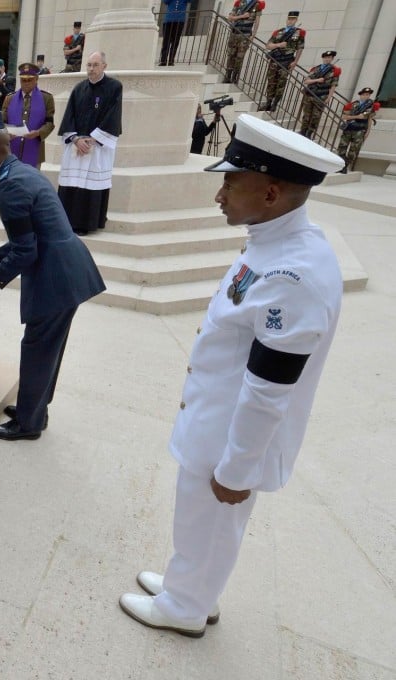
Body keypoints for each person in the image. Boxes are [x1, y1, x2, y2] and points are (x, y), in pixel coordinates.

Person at [118, 113, 345, 638]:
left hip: (232, 437)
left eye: (230, 182)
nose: (219, 194)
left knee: (213, 519)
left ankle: (185, 608)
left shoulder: (295, 275)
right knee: (200, 522)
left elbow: (269, 390)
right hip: (217, 421)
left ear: (270, 192)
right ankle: (191, 587)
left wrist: (237, 470)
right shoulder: (273, 244)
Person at [0, 109, 105, 441]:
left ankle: (28, 424)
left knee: (38, 350)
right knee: (48, 350)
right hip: (69, 270)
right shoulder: (25, 172)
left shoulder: (8, 188)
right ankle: (35, 408)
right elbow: (31, 235)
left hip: (55, 279)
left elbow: (26, 250)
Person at [57, 51, 123, 235]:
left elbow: (114, 116)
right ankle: (66, 221)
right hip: (77, 145)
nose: (91, 69)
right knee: (73, 184)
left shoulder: (114, 87)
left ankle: (87, 224)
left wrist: (92, 140)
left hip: (96, 147)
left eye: (95, 65)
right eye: (89, 65)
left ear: (104, 66)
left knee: (90, 185)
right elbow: (69, 115)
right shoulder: (79, 88)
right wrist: (76, 139)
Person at [1, 63, 56, 169]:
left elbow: (49, 123)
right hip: (11, 149)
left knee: (31, 183)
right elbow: (1, 122)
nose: (26, 83)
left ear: (36, 79)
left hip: (34, 150)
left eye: (29, 80)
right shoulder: (10, 98)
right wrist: (6, 133)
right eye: (23, 80)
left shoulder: (46, 98)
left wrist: (39, 132)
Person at [259, 11, 305, 112]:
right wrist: (279, 45)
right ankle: (268, 103)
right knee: (271, 82)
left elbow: (300, 48)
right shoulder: (278, 32)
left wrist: (295, 62)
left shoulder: (298, 33)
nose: (290, 21)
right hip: (275, 60)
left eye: (293, 19)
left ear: (296, 20)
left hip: (287, 61)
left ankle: (275, 104)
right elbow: (268, 45)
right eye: (289, 19)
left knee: (281, 84)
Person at [336, 87, 380, 173]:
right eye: (364, 94)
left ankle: (345, 166)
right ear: (361, 95)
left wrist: (368, 131)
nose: (366, 96)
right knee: (342, 147)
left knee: (353, 150)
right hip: (348, 128)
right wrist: (356, 116)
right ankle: (341, 165)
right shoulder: (352, 104)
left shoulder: (371, 106)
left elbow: (369, 119)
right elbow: (344, 117)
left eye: (368, 95)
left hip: (360, 130)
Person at [299, 51, 340, 139]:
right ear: (323, 58)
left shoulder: (335, 71)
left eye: (329, 58)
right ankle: (303, 131)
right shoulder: (316, 69)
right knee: (306, 114)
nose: (327, 59)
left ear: (332, 59)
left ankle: (309, 133)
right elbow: (306, 81)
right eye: (325, 57)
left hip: (321, 96)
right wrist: (317, 80)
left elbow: (333, 85)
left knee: (316, 116)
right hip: (310, 93)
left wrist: (329, 97)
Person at [223, 0, 264, 84]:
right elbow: (230, 18)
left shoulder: (257, 4)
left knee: (239, 57)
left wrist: (253, 35)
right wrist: (242, 16)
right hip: (234, 33)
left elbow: (257, 21)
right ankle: (227, 77)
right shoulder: (238, 2)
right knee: (231, 55)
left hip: (245, 35)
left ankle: (235, 78)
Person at [160, 0, 192, 66]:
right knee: (166, 41)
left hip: (179, 21)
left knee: (175, 42)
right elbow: (165, 1)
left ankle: (171, 61)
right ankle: (163, 61)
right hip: (168, 21)